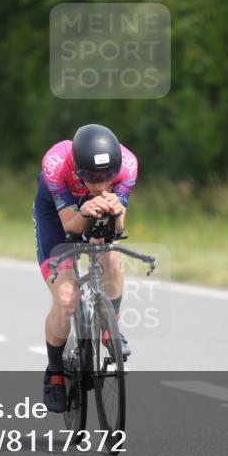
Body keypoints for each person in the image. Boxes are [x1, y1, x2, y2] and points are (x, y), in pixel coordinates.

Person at [33, 124, 137, 413]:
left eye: (108, 177)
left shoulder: (128, 164)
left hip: (95, 214)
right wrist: (85, 212)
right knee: (67, 298)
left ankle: (110, 326)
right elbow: (70, 225)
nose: (101, 185)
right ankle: (55, 371)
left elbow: (119, 228)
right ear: (78, 170)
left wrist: (116, 210)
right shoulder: (56, 162)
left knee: (112, 260)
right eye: (92, 178)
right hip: (57, 219)